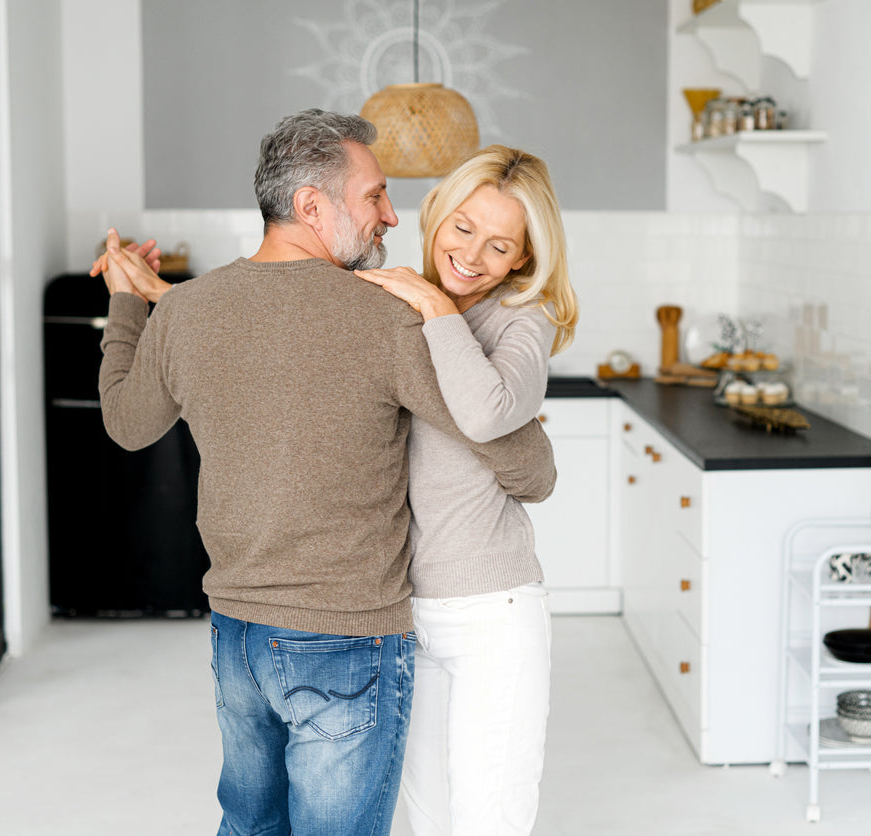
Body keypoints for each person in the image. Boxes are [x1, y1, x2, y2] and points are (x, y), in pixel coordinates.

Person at [95, 110, 556, 836]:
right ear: (313, 206)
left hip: (237, 631)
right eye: (374, 196)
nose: (391, 216)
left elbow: (127, 423)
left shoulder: (187, 309)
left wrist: (130, 304)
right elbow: (524, 464)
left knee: (251, 825)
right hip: (345, 635)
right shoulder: (386, 318)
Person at [354, 145, 576, 836]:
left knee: (488, 819)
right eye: (463, 227)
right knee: (427, 816)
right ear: (437, 214)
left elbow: (485, 412)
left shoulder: (522, 319)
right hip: (401, 609)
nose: (472, 255)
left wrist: (434, 306)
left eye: (499, 245)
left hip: (491, 611)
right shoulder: (390, 305)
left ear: (523, 257)